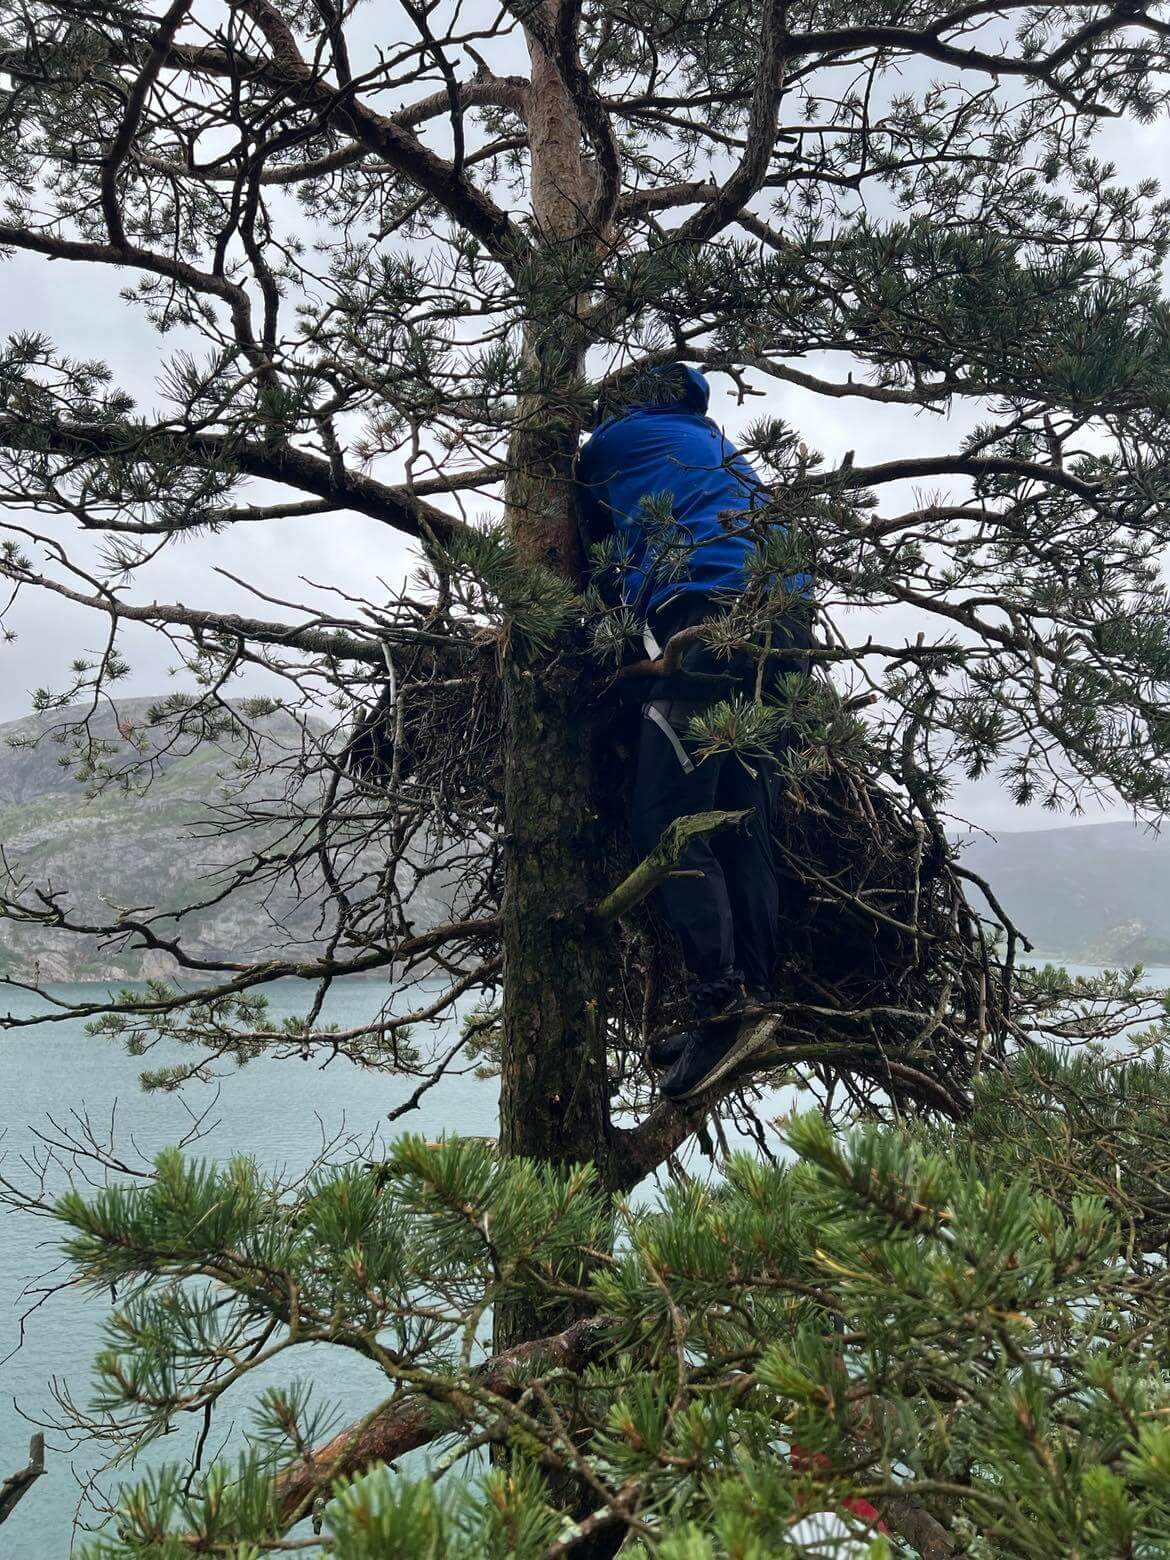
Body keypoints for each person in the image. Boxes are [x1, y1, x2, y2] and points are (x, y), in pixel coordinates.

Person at [577, 363, 815, 1103]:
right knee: (741, 822)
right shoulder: (716, 448)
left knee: (667, 823)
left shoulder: (613, 444)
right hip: (787, 633)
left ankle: (720, 1006)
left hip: (708, 620)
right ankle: (756, 998)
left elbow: (591, 556)